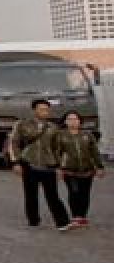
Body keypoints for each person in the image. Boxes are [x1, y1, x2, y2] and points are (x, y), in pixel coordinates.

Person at [7, 99, 71, 231]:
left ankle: (62, 221)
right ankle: (33, 220)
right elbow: (14, 143)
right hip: (29, 164)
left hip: (48, 165)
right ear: (34, 110)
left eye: (47, 109)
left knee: (53, 195)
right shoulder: (22, 125)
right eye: (41, 109)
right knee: (31, 194)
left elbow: (58, 148)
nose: (44, 112)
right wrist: (16, 162)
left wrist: (59, 166)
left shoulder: (53, 127)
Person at [55, 109, 104, 227]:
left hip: (87, 170)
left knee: (85, 194)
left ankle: (82, 216)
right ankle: (75, 216)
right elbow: (56, 153)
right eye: (70, 119)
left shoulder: (87, 135)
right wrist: (58, 168)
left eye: (75, 119)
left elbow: (94, 152)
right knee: (74, 192)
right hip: (69, 170)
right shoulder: (60, 135)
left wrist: (99, 167)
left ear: (80, 121)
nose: (73, 121)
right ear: (65, 121)